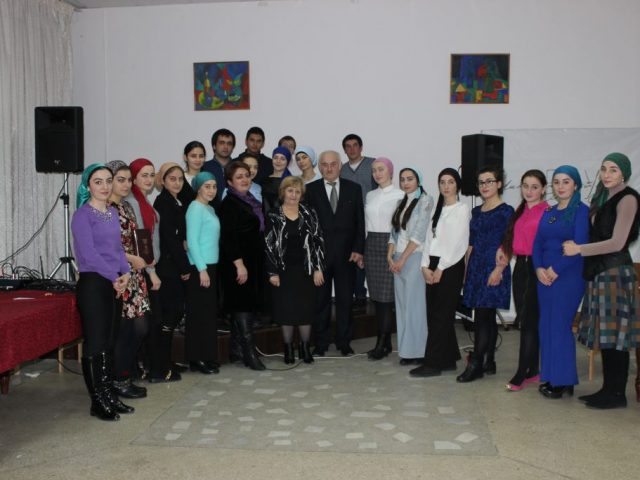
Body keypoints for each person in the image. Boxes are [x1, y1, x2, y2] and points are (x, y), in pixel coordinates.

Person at [564, 153, 640, 408]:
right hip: (600, 272)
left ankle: (617, 394)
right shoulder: (602, 196)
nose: (607, 174)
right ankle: (608, 389)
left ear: (624, 173)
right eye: (604, 169)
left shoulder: (628, 198)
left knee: (616, 336)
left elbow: (617, 242)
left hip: (615, 273)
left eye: (614, 170)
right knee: (607, 336)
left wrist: (579, 250)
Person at [71, 163, 133, 421]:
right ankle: (97, 401)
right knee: (96, 342)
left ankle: (109, 396)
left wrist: (125, 272)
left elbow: (117, 249)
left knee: (109, 340)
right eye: (98, 181)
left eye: (109, 181)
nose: (105, 186)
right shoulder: (82, 215)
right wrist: (115, 277)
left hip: (113, 281)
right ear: (88, 186)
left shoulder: (111, 212)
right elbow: (89, 255)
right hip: (94, 284)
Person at [533, 165, 589, 398]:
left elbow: (580, 245)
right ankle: (551, 375)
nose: (561, 186)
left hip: (568, 276)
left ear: (575, 185)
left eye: (566, 182)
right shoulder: (549, 211)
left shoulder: (581, 211)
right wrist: (538, 268)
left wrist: (555, 269)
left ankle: (564, 380)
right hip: (544, 277)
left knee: (559, 325)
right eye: (556, 182)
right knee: (546, 326)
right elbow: (537, 243)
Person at [304, 150, 365, 356]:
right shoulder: (310, 190)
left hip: (347, 256)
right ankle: (321, 343)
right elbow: (308, 227)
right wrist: (312, 256)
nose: (329, 168)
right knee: (320, 301)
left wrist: (358, 249)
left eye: (333, 164)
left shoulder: (354, 189)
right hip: (320, 257)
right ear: (319, 167)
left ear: (340, 166)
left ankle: (344, 342)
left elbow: (360, 222)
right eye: (325, 164)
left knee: (345, 301)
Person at [457, 166, 514, 383]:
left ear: (499, 184)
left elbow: (509, 243)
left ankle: (476, 364)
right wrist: (466, 271)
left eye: (489, 181)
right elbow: (471, 244)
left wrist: (499, 270)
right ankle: (490, 361)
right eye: (481, 182)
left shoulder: (506, 211)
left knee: (482, 316)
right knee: (487, 316)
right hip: (476, 268)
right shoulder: (476, 211)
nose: (485, 186)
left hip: (494, 268)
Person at [411, 168, 469, 377]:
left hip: (450, 265)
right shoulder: (439, 209)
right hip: (433, 263)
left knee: (441, 315)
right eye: (442, 182)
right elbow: (429, 239)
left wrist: (441, 267)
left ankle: (433, 363)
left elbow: (458, 242)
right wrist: (424, 266)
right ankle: (448, 358)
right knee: (434, 313)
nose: (446, 186)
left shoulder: (462, 209)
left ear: (457, 185)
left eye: (450, 182)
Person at [265, 176, 325, 364]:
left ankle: (305, 347)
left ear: (302, 195)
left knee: (305, 310)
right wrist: (272, 272)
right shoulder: (274, 214)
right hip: (283, 271)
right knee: (286, 311)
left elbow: (318, 241)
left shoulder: (309, 212)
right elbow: (269, 245)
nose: (293, 195)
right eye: (290, 190)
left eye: (297, 191)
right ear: (283, 192)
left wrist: (318, 268)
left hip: (306, 270)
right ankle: (288, 348)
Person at [499, 170, 549, 390]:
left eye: (534, 187)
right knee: (528, 320)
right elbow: (511, 238)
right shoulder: (519, 211)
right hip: (520, 266)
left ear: (544, 189)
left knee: (528, 322)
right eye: (525, 186)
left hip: (536, 268)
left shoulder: (548, 212)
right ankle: (533, 370)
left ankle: (521, 373)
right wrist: (503, 249)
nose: (529, 191)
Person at [105, 160, 150, 399]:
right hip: (118, 275)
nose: (126, 184)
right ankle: (119, 379)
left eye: (129, 180)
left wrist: (144, 257)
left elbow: (136, 237)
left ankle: (124, 374)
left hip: (135, 275)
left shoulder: (126, 206)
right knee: (124, 330)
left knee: (141, 328)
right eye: (120, 180)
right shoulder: (104, 209)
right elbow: (106, 247)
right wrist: (132, 258)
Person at [219, 161, 266, 370]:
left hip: (252, 261)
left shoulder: (251, 200)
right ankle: (249, 352)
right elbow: (228, 239)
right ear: (229, 182)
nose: (245, 179)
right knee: (242, 305)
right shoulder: (229, 204)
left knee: (245, 304)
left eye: (246, 175)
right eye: (239, 177)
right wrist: (239, 264)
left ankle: (237, 350)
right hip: (237, 263)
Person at [388, 168, 434, 364]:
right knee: (402, 306)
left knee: (415, 307)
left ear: (418, 181)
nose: (406, 183)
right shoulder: (400, 202)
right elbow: (393, 233)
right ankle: (406, 351)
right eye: (403, 179)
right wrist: (390, 256)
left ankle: (419, 351)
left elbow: (418, 234)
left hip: (413, 257)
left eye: (410, 179)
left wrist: (402, 260)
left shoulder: (426, 200)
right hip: (398, 258)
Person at [150, 162, 190, 382]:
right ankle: (160, 367)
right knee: (168, 316)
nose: (177, 183)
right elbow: (170, 240)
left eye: (180, 179)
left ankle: (165, 361)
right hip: (168, 268)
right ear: (163, 181)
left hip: (172, 265)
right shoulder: (163, 202)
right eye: (172, 179)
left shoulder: (175, 201)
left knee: (172, 316)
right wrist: (184, 266)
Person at [363, 157, 404, 360]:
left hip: (390, 245)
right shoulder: (370, 195)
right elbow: (366, 224)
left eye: (381, 169)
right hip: (371, 244)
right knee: (377, 298)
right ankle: (385, 343)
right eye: (374, 170)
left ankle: (382, 342)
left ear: (390, 171)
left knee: (387, 299)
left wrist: (393, 248)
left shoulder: (400, 195)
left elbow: (401, 226)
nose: (377, 173)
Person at [185, 172, 222, 374]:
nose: (211, 190)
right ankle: (196, 357)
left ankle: (207, 355)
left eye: (214, 186)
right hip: (200, 267)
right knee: (198, 315)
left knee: (207, 314)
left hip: (210, 266)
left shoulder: (209, 208)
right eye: (207, 186)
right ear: (198, 188)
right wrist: (201, 269)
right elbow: (192, 242)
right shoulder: (195, 208)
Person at [340, 133, 376, 308]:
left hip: (371, 219)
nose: (352, 149)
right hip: (350, 220)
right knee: (354, 256)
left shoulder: (372, 164)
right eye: (348, 146)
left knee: (371, 257)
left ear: (361, 147)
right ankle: (359, 294)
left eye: (355, 145)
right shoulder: (342, 169)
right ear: (344, 150)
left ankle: (376, 296)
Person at [203, 128, 235, 202]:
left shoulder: (238, 167)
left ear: (233, 147)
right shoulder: (205, 167)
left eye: (229, 143)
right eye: (222, 143)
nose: (225, 147)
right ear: (214, 146)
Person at [262, 146, 292, 215]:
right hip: (265, 218)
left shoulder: (291, 181)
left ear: (287, 162)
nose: (278, 161)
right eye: (275, 158)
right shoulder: (264, 180)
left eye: (282, 159)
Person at [180, 141, 206, 207]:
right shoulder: (179, 179)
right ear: (185, 157)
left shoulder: (208, 178)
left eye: (201, 156)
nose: (198, 160)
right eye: (193, 156)